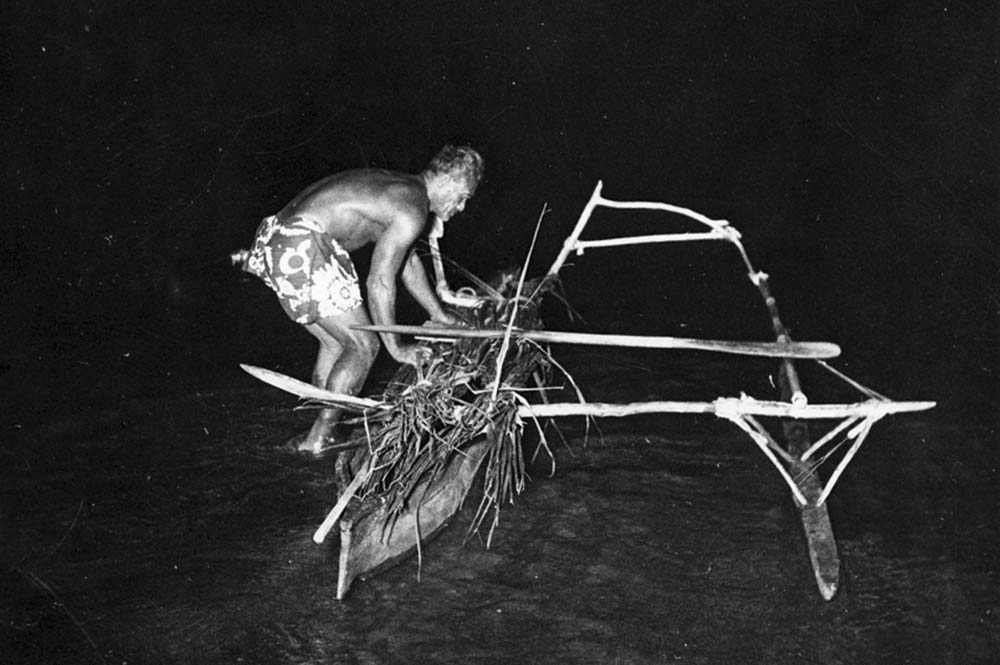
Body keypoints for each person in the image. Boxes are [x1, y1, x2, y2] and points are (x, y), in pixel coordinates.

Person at [242, 145, 484, 454]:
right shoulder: (413, 207)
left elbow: (407, 263)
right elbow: (380, 282)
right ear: (449, 180)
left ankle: (320, 429)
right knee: (364, 344)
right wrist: (396, 347)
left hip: (275, 239)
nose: (461, 208)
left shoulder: (404, 190)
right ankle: (319, 437)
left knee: (337, 343)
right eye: (463, 197)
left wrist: (440, 315)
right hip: (302, 242)